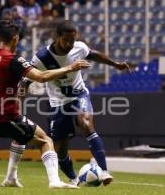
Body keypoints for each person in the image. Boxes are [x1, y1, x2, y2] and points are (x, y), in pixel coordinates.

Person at [0, 20, 90, 189]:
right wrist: (70, 68)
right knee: (45, 140)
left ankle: (10, 178)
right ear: (15, 38)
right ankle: (55, 181)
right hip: (4, 117)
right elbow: (41, 77)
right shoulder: (12, 59)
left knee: (21, 135)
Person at [29, 20, 131, 186]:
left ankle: (104, 171)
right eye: (66, 40)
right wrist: (20, 91)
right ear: (57, 37)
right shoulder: (42, 57)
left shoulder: (79, 47)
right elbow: (28, 77)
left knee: (86, 123)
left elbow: (94, 54)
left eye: (72, 40)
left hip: (79, 95)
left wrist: (115, 64)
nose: (69, 44)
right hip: (58, 103)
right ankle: (73, 178)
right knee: (60, 149)